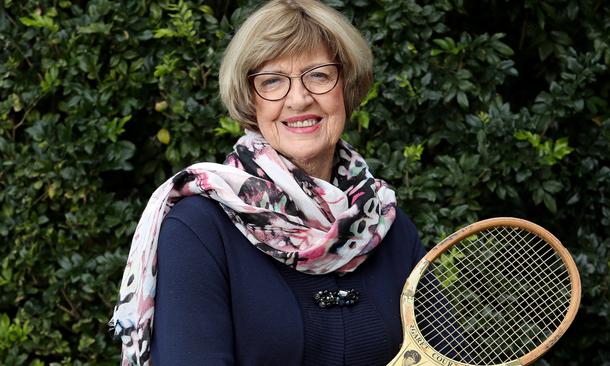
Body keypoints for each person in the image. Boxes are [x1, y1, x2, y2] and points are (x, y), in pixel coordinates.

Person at [110, 0, 426, 365]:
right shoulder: (198, 229)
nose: (299, 98)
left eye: (320, 75)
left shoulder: (390, 227)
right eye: (272, 81)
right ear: (250, 100)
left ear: (347, 87)